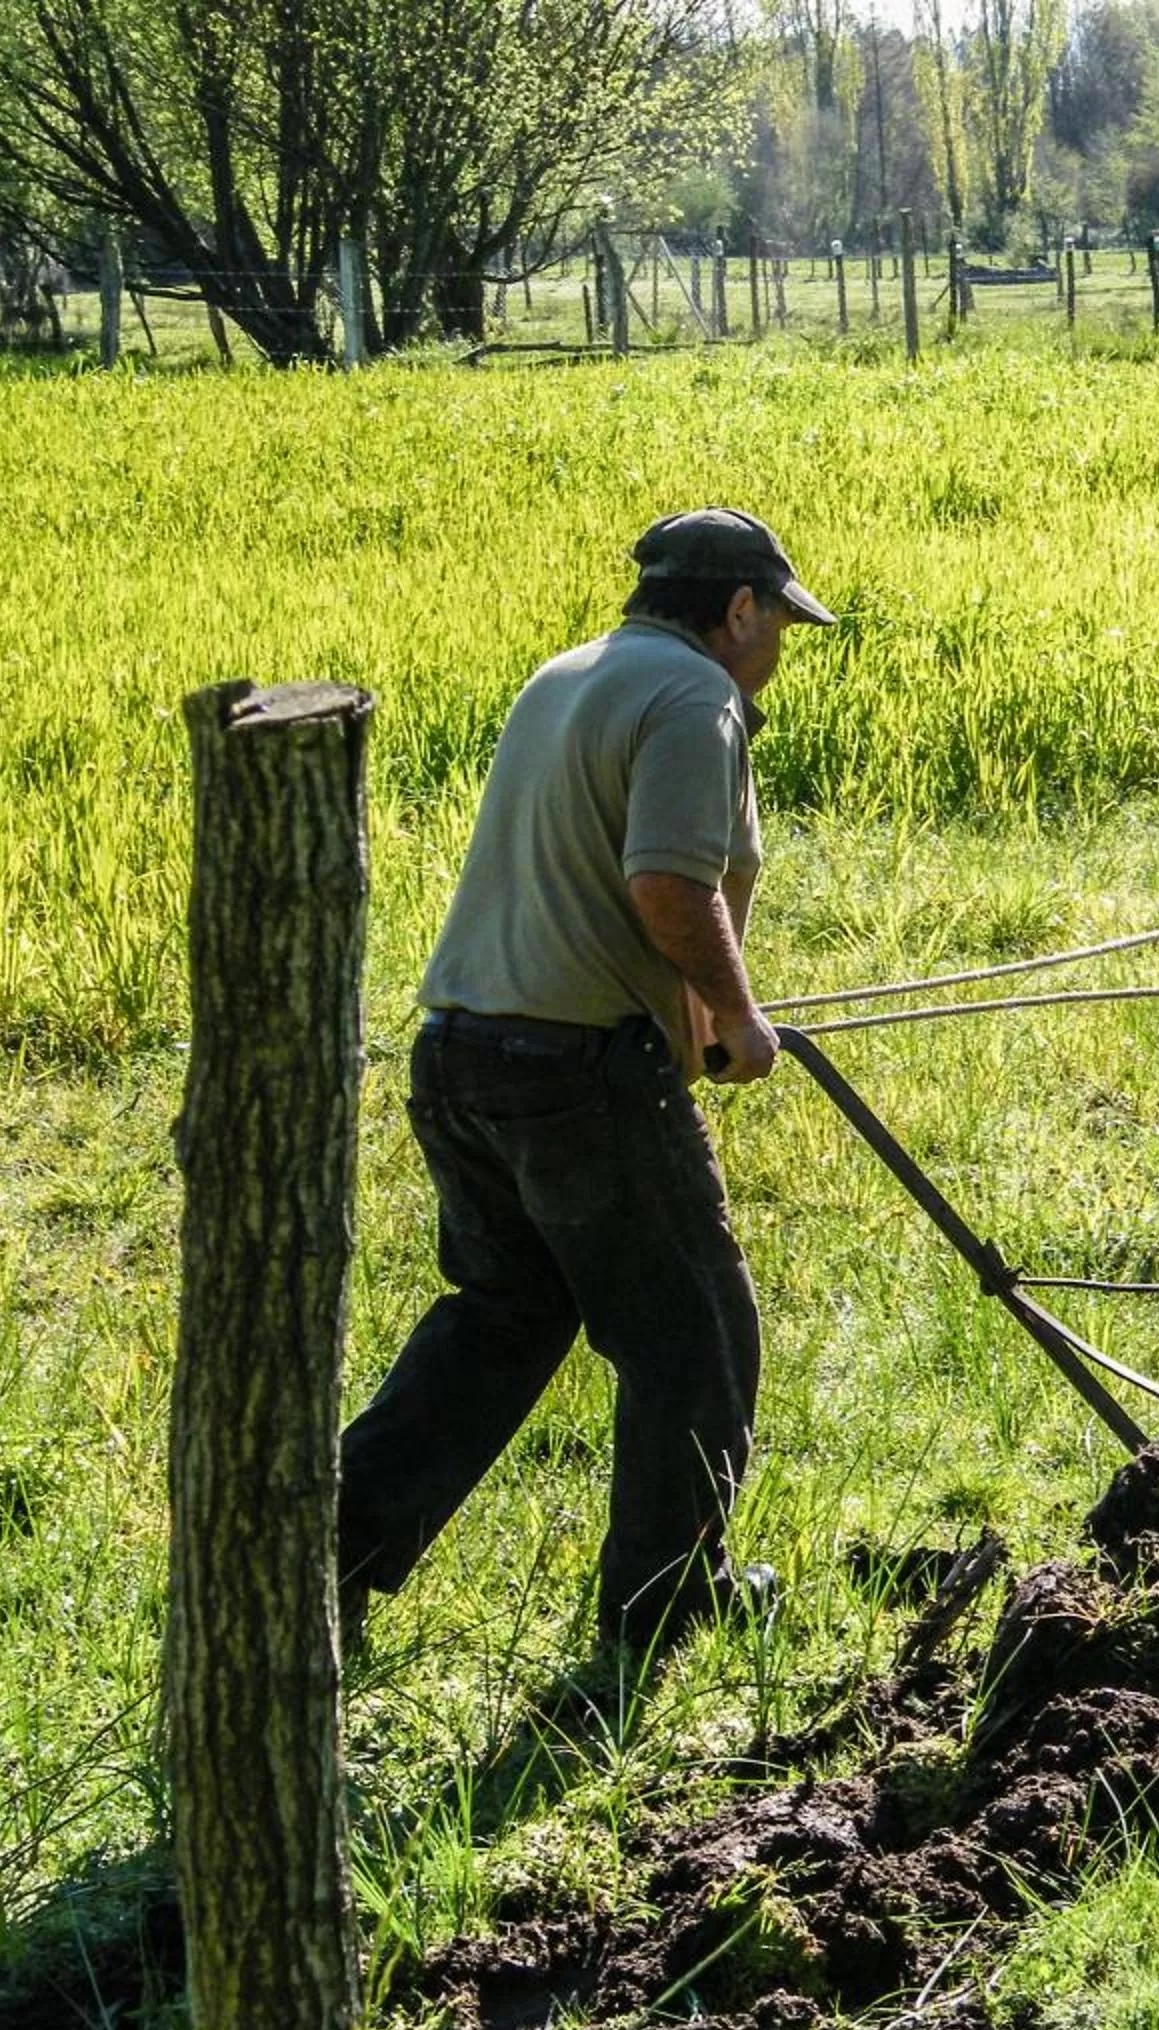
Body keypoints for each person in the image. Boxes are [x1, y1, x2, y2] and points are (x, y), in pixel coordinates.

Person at [337, 508, 835, 1661]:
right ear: (739, 609)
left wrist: (699, 1024)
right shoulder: (695, 697)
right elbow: (666, 885)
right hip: (578, 1075)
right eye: (777, 624)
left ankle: (331, 1551)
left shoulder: (567, 676)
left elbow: (590, 893)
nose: (777, 649)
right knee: (695, 1336)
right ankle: (665, 1604)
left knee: (505, 1314)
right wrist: (742, 1023)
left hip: (460, 1051)